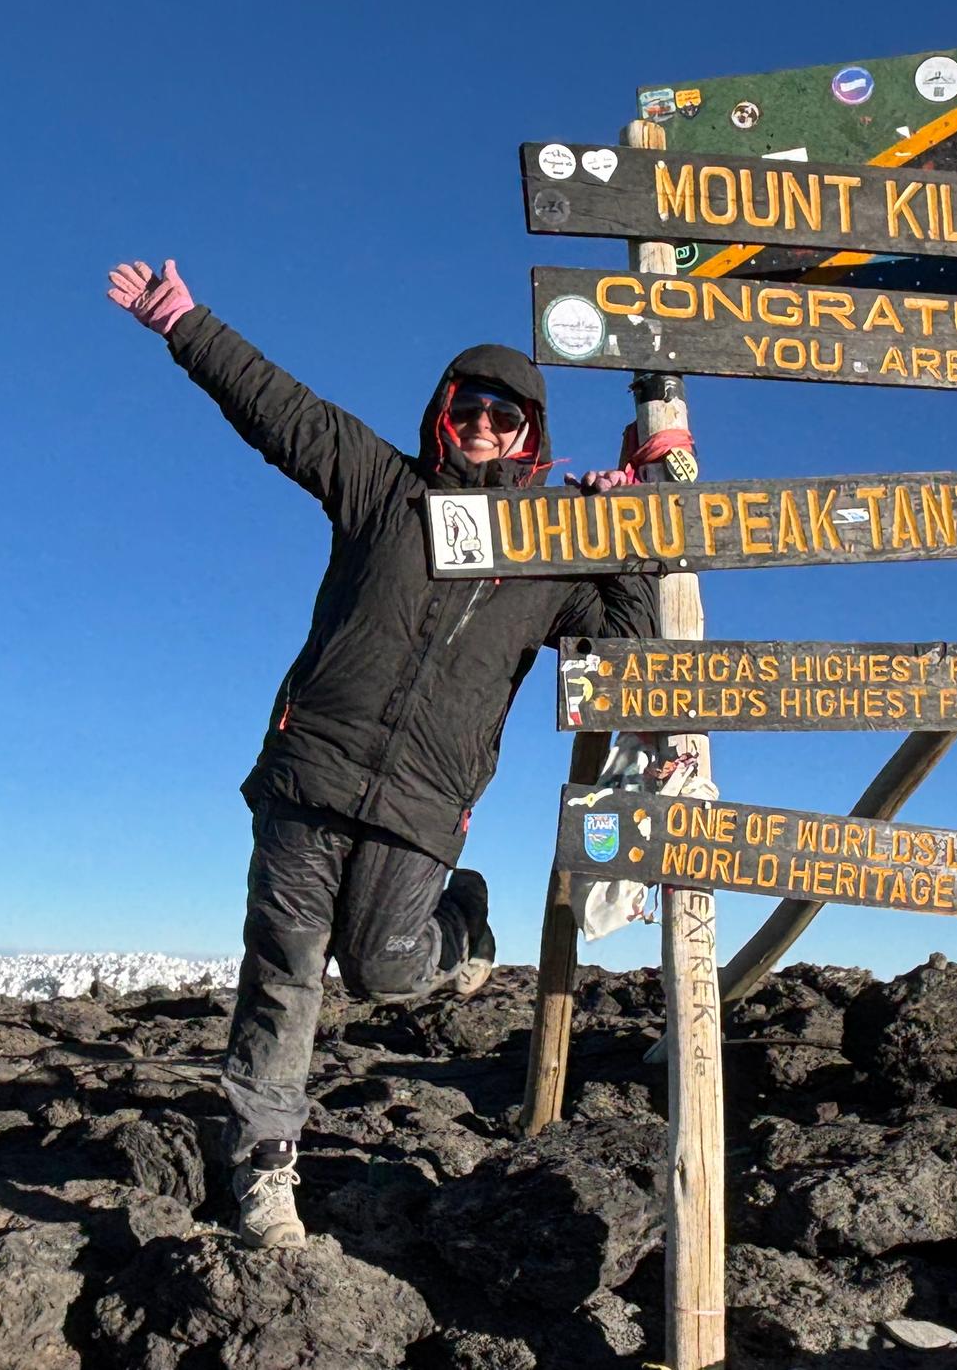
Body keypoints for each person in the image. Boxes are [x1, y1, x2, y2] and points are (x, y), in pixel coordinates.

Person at [107, 259, 656, 1249]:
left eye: (507, 415)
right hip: (310, 772)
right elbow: (283, 410)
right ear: (445, 412)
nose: (485, 424)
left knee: (386, 970)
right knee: (284, 970)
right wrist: (185, 323)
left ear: (530, 436)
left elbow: (630, 648)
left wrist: (621, 533)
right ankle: (266, 1171)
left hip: (423, 803)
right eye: (471, 406)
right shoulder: (383, 489)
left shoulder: (553, 554)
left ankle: (465, 925)